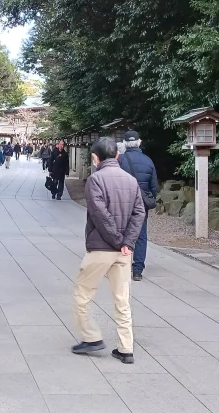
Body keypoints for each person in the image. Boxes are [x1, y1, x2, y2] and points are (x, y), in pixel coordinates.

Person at [71, 137, 145, 365]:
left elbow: (100, 215)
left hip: (101, 248)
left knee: (82, 295)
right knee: (122, 300)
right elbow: (139, 213)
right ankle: (126, 347)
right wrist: (127, 242)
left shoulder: (95, 180)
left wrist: (116, 240)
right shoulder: (131, 181)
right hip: (124, 252)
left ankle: (92, 337)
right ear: (117, 155)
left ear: (95, 157)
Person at [118, 130, 159, 282]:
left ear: (124, 144)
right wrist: (150, 199)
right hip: (141, 204)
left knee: (122, 233)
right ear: (139, 142)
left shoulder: (120, 161)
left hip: (123, 203)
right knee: (141, 235)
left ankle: (121, 265)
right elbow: (154, 186)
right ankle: (137, 270)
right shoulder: (148, 161)